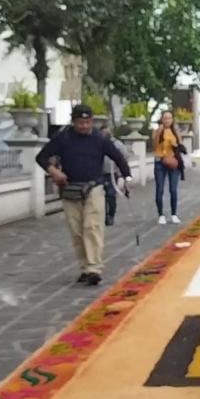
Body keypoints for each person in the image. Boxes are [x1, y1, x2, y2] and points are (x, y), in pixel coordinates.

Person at [36, 104, 132, 286]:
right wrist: (54, 172)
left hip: (94, 187)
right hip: (70, 189)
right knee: (77, 232)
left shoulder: (99, 138)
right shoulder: (63, 138)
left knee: (92, 227)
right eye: (81, 122)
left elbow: (118, 157)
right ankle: (84, 267)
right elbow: (41, 157)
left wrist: (126, 177)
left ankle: (94, 268)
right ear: (74, 122)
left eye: (88, 122)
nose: (85, 126)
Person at [152, 111, 185, 225]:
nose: (167, 120)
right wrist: (158, 133)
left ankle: (174, 214)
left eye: (169, 118)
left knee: (173, 189)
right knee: (160, 189)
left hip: (172, 162)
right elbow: (154, 145)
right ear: (161, 119)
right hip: (160, 162)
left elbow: (181, 146)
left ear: (172, 120)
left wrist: (175, 144)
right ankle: (161, 214)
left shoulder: (175, 131)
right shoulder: (157, 130)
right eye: (165, 118)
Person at [98, 124, 129, 226]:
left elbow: (124, 158)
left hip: (111, 173)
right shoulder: (97, 143)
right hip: (99, 174)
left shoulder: (118, 144)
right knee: (100, 196)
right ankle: (103, 215)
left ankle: (111, 215)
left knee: (111, 195)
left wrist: (122, 174)